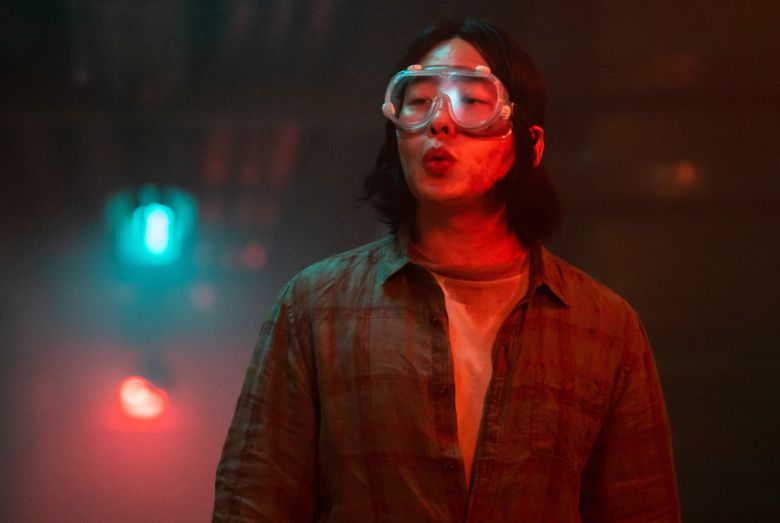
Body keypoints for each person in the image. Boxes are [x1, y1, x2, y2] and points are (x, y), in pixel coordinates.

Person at [213, 18, 680, 522]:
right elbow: (254, 503)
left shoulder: (604, 327)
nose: (439, 122)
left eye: (472, 101)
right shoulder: (315, 307)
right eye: (418, 102)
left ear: (530, 142)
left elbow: (641, 510)